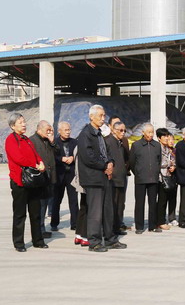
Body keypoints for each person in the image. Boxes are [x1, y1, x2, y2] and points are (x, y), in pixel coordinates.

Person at [78, 105, 124, 252]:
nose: (103, 118)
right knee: (95, 213)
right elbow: (88, 157)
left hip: (104, 177)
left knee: (108, 210)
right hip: (93, 179)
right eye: (100, 116)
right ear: (91, 117)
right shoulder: (85, 134)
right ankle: (94, 242)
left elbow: (106, 152)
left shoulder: (99, 134)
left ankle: (110, 239)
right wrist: (104, 165)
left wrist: (110, 163)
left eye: (104, 115)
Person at [5, 113, 48, 252]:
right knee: (20, 214)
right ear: (13, 126)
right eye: (20, 122)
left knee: (35, 212)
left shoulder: (26, 139)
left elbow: (35, 154)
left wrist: (40, 162)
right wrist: (35, 165)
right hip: (19, 181)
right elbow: (18, 158)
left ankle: (38, 240)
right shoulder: (11, 140)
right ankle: (19, 243)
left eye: (24, 122)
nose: (24, 124)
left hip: (32, 181)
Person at [129, 123, 162, 233]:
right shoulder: (136, 145)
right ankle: (139, 226)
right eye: (148, 132)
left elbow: (159, 161)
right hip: (140, 179)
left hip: (153, 179)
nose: (151, 134)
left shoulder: (157, 145)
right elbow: (132, 162)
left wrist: (156, 171)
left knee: (153, 203)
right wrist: (137, 173)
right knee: (140, 203)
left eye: (152, 132)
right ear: (143, 132)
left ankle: (152, 225)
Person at [30, 120, 56, 239]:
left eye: (50, 130)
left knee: (45, 203)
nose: (49, 132)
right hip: (39, 177)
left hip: (49, 177)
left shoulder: (48, 141)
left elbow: (57, 152)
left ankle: (42, 228)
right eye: (47, 130)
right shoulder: (32, 140)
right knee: (39, 205)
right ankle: (38, 230)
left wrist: (52, 142)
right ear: (40, 129)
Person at [51, 121, 78, 232]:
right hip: (59, 175)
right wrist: (61, 158)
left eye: (69, 130)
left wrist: (73, 157)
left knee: (74, 200)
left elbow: (80, 154)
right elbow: (51, 156)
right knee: (56, 200)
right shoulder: (54, 142)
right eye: (65, 130)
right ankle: (54, 223)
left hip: (71, 175)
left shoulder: (75, 142)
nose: (68, 132)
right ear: (59, 131)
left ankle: (75, 223)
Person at [105, 122, 129, 235]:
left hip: (121, 178)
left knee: (120, 205)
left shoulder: (121, 143)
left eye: (124, 131)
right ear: (113, 130)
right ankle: (109, 230)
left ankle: (117, 227)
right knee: (112, 205)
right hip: (113, 179)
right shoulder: (108, 141)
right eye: (121, 130)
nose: (123, 133)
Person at [156, 129, 176, 228]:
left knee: (166, 199)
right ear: (159, 138)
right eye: (164, 136)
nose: (166, 138)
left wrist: (173, 166)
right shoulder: (157, 148)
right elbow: (160, 162)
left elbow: (173, 160)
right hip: (160, 177)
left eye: (167, 136)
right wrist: (169, 163)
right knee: (162, 200)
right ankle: (160, 221)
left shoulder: (167, 149)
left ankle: (162, 220)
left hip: (168, 176)